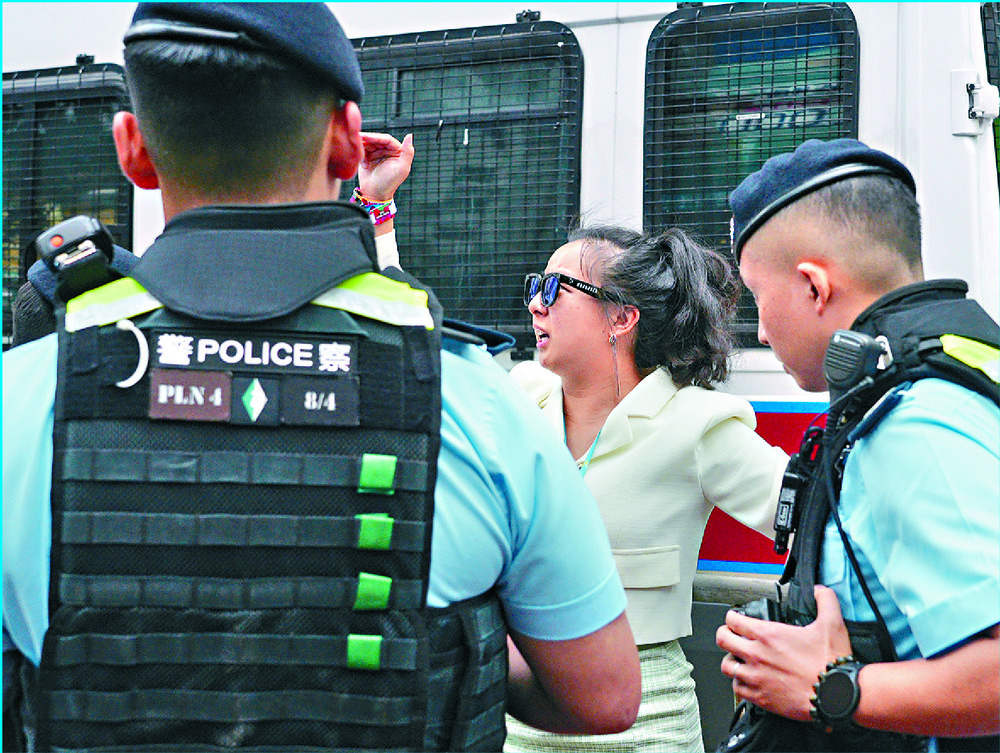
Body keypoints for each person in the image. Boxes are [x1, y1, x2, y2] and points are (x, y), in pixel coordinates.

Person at [1, 4, 641, 751]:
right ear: (345, 141)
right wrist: (453, 648)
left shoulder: (20, 400)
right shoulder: (482, 405)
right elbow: (603, 697)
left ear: (133, 149)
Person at [716, 138, 999, 750]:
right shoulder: (929, 388)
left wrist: (828, 688)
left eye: (758, 298)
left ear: (814, 287)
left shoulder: (912, 427)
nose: (760, 331)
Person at [496, 225, 790, 752]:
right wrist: (378, 212)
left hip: (648, 715)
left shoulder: (698, 422)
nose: (535, 306)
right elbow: (412, 348)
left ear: (621, 317)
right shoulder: (521, 397)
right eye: (534, 286)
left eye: (553, 289)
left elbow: (808, 513)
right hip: (524, 711)